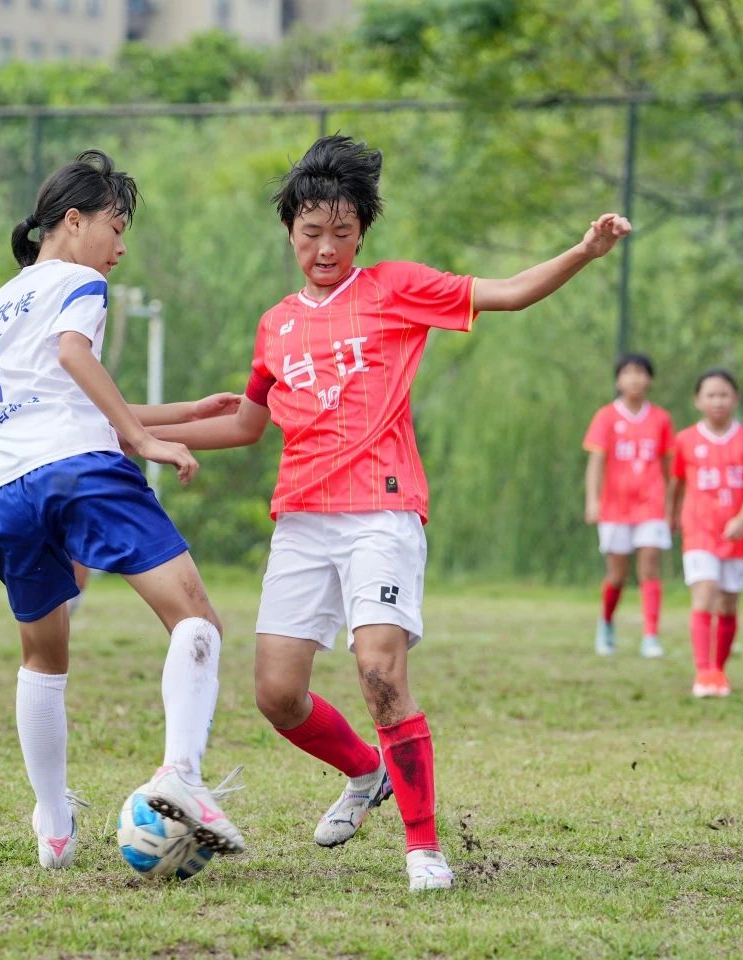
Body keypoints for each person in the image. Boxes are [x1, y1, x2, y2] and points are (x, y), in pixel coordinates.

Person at [150, 135, 631, 891]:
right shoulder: (275, 323)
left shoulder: (396, 289)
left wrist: (582, 252)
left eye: (342, 233)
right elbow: (247, 424)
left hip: (382, 508)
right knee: (277, 695)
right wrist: (139, 433)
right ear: (289, 233)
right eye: (312, 233)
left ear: (361, 234)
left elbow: (505, 292)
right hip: (302, 517)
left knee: (378, 668)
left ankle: (423, 849)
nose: (326, 248)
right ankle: (367, 771)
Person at [0, 149, 245, 870]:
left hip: (0, 489)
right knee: (196, 619)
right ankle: (180, 773)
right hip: (75, 473)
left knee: (44, 656)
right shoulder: (80, 281)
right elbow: (77, 356)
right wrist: (144, 439)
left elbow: (59, 389)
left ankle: (53, 826)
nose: (120, 246)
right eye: (116, 225)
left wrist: (179, 412)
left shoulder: (8, 295)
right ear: (73, 221)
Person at [667, 369, 743, 698]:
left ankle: (719, 670)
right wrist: (671, 515)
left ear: (736, 398)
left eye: (724, 394)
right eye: (710, 395)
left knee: (728, 604)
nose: (718, 401)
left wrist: (742, 518)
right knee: (704, 593)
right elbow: (677, 483)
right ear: (698, 400)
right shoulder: (685, 440)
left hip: (736, 535)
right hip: (699, 531)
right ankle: (703, 673)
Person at [582, 353, 674, 658]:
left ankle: (651, 635)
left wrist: (671, 508)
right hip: (615, 507)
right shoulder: (606, 416)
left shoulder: (660, 419)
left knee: (649, 567)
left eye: (641, 372)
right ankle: (606, 622)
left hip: (651, 504)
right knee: (617, 575)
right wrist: (593, 501)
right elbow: (596, 462)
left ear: (650, 379)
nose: (634, 378)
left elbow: (666, 466)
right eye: (628, 372)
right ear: (618, 380)